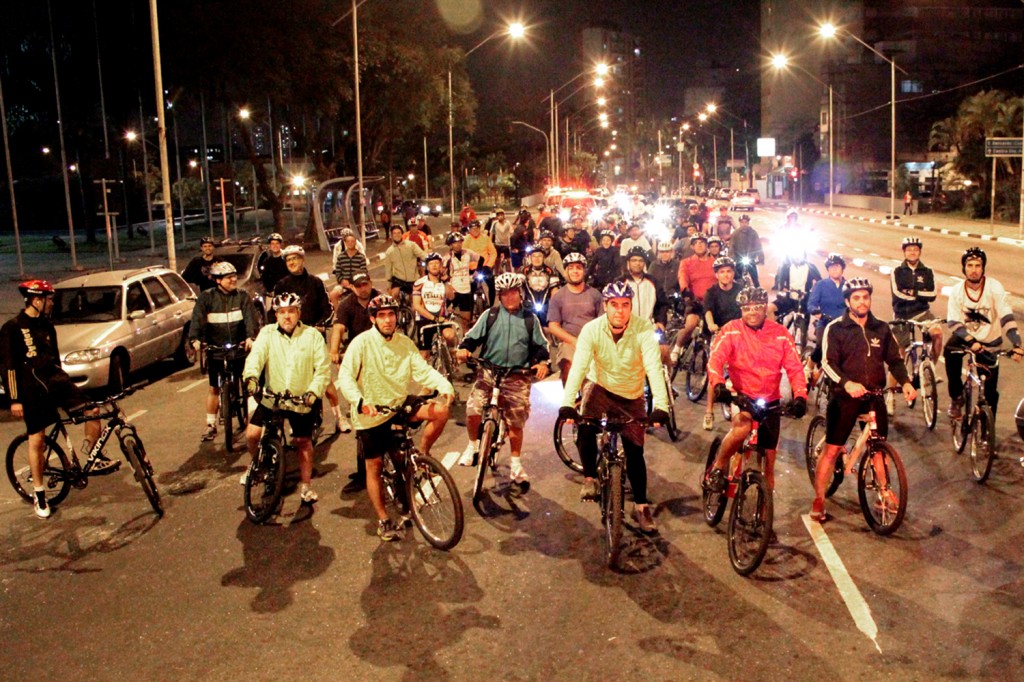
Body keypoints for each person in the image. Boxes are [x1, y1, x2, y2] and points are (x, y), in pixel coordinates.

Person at [337, 294, 455, 541]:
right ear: (373, 319)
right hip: (371, 414)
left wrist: (444, 386)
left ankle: (424, 455)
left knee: (440, 411)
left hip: (398, 404)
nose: (388, 320)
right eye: (382, 315)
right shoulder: (360, 344)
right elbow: (346, 378)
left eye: (391, 314)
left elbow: (422, 371)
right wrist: (360, 402)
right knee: (375, 466)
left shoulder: (404, 343)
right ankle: (383, 519)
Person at [558, 282, 670, 533]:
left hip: (631, 394)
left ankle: (641, 506)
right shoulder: (591, 330)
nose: (620, 311)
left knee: (635, 452)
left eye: (625, 305)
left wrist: (661, 406)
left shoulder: (643, 329)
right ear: (605, 307)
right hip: (600, 387)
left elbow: (653, 368)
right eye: (614, 305)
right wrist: (567, 404)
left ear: (631, 307)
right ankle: (589, 478)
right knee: (585, 427)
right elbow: (579, 367)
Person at [0, 281, 108, 518]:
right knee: (37, 439)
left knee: (93, 411)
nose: (52, 304)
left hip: (57, 382)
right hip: (32, 391)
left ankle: (93, 455)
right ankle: (39, 495)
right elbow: (8, 366)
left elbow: (56, 359)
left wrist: (65, 383)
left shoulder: (48, 326)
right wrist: (14, 399)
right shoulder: (13, 328)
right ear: (36, 300)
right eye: (49, 300)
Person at [812, 278, 916, 522]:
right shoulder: (836, 328)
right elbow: (827, 363)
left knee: (878, 448)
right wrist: (847, 383)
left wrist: (907, 382)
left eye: (865, 297)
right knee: (832, 450)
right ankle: (818, 499)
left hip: (874, 396)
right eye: (856, 298)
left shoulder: (881, 328)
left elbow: (895, 360)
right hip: (844, 397)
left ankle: (883, 492)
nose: (862, 302)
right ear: (848, 302)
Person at [704, 285, 808, 493]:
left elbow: (795, 368)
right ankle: (718, 467)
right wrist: (718, 385)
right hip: (741, 395)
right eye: (747, 308)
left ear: (765, 309)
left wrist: (800, 397)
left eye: (757, 308)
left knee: (769, 461)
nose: (752, 312)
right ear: (741, 310)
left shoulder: (780, 334)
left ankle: (763, 512)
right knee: (741, 428)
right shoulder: (731, 330)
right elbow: (714, 360)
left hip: (770, 400)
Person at [455, 273, 550, 492]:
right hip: (489, 371)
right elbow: (472, 337)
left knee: (516, 422)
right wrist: (464, 348)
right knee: (473, 408)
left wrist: (542, 362)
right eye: (504, 294)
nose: (509, 298)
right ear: (499, 296)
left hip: (517, 375)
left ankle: (516, 464)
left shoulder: (529, 319)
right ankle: (472, 445)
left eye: (513, 293)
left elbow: (540, 346)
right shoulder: (490, 315)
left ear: (520, 293)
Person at [243, 293, 331, 504]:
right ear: (276, 315)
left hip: (301, 400)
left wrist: (313, 392)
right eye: (282, 312)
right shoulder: (267, 333)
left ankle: (306, 486)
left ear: (298, 313)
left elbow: (322, 369)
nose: (287, 317)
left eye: (291, 311)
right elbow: (256, 357)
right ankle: (259, 465)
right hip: (272, 397)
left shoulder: (312, 336)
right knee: (252, 434)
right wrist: (252, 377)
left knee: (303, 442)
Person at [944, 247, 1024, 420]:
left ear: (983, 268)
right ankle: (957, 397)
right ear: (964, 268)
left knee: (990, 393)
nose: (973, 270)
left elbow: (1005, 316)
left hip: (990, 342)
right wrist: (971, 341)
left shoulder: (994, 287)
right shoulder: (957, 291)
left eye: (978, 265)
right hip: (965, 339)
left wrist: (1017, 344)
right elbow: (953, 322)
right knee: (949, 350)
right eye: (970, 265)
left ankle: (988, 431)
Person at [188, 261, 261, 442]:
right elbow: (197, 318)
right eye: (229, 277)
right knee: (214, 387)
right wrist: (195, 339)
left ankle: (255, 417)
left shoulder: (242, 296)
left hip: (239, 348)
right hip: (216, 349)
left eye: (234, 276)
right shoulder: (206, 298)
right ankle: (210, 425)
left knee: (248, 383)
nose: (233, 280)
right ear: (218, 280)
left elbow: (250, 319)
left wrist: (251, 337)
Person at [273, 245, 344, 429]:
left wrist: (321, 323)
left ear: (302, 260)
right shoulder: (281, 285)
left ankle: (338, 417)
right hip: (291, 340)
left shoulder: (315, 282)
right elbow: (275, 313)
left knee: (325, 381)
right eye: (288, 260)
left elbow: (328, 308)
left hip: (314, 336)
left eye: (295, 259)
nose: (292, 263)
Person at [329, 272, 381, 439]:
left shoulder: (380, 299)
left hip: (380, 345)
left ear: (371, 283)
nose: (362, 289)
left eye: (365, 284)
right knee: (354, 379)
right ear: (352, 287)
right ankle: (359, 406)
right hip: (356, 347)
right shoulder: (346, 304)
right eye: (358, 286)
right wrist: (334, 351)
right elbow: (338, 328)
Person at [548, 253, 602, 385]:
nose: (575, 271)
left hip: (593, 342)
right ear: (565, 271)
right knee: (569, 365)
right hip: (569, 343)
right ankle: (569, 401)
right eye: (571, 268)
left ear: (584, 271)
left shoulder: (595, 294)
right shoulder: (558, 296)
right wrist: (574, 341)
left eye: (578, 267)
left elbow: (602, 322)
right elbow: (553, 326)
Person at [890, 236, 942, 361]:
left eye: (915, 249)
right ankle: (898, 379)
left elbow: (933, 295)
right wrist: (921, 294)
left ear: (920, 252)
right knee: (899, 354)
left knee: (937, 334)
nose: (912, 252)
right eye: (909, 249)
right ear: (904, 252)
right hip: (902, 315)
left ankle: (931, 369)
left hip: (922, 313)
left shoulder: (928, 271)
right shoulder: (897, 271)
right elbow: (898, 294)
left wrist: (912, 292)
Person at [670, 233, 717, 363]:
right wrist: (685, 291)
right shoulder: (686, 262)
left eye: (702, 242)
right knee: (690, 324)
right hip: (695, 300)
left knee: (714, 329)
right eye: (696, 243)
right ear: (692, 246)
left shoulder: (714, 263)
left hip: (712, 302)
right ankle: (676, 348)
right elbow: (682, 277)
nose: (700, 245)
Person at [806, 253, 848, 382]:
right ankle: (809, 366)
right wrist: (816, 311)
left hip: (843, 324)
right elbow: (811, 303)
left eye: (837, 266)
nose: (834, 269)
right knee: (820, 346)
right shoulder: (820, 285)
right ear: (828, 270)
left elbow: (854, 303)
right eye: (831, 267)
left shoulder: (848, 285)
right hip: (825, 323)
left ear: (842, 268)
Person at [412, 253, 455, 360]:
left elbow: (451, 297)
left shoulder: (445, 282)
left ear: (441, 266)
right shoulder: (419, 283)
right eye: (431, 263)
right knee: (424, 355)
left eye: (437, 263)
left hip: (442, 318)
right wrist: (434, 318)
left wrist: (446, 282)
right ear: (427, 267)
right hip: (424, 320)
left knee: (450, 335)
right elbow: (417, 306)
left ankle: (452, 359)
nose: (435, 265)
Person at [772, 248, 821, 331]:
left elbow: (819, 281)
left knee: (806, 318)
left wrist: (814, 291)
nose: (797, 257)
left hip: (804, 299)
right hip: (788, 298)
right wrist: (782, 288)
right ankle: (774, 331)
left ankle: (804, 335)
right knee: (771, 309)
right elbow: (781, 279)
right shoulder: (787, 267)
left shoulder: (811, 267)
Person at [441, 231, 479, 332]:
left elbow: (481, 258)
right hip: (453, 291)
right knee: (445, 321)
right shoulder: (447, 258)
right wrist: (446, 285)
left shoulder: (468, 253)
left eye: (459, 242)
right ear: (450, 245)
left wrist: (477, 271)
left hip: (466, 290)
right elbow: (442, 274)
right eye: (455, 243)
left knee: (466, 322)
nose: (458, 245)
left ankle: (464, 343)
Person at [383, 224, 427, 301]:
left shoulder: (411, 245)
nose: (397, 235)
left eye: (399, 233)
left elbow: (422, 255)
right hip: (398, 280)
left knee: (414, 303)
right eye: (394, 233)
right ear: (392, 235)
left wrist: (432, 260)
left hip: (413, 279)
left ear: (402, 234)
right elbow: (388, 270)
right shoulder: (389, 252)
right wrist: (388, 285)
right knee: (394, 295)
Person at [520, 247, 559, 327]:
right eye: (534, 256)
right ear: (530, 258)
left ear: (543, 258)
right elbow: (519, 286)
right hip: (528, 304)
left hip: (545, 305)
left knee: (547, 327)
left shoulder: (550, 271)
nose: (536, 259)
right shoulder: (524, 270)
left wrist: (553, 305)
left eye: (539, 256)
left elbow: (554, 289)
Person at [331, 228, 370, 305]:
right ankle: (339, 315)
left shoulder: (361, 257)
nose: (350, 243)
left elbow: (364, 272)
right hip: (344, 285)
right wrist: (342, 281)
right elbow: (337, 271)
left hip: (357, 285)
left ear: (355, 242)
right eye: (348, 241)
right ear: (345, 242)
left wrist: (355, 283)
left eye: (352, 241)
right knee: (333, 295)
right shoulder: (340, 256)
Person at [463, 219, 498, 302]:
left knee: (492, 285)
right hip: (471, 268)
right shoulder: (466, 239)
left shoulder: (485, 238)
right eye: (472, 229)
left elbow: (493, 253)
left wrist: (489, 265)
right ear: (469, 230)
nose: (475, 230)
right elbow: (463, 253)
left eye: (476, 228)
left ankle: (491, 306)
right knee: (468, 289)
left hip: (484, 267)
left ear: (480, 228)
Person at [730, 214, 764, 286]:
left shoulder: (753, 233)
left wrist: (761, 258)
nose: (744, 224)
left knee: (754, 276)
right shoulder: (735, 233)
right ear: (740, 223)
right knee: (737, 277)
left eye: (746, 222)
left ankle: (758, 290)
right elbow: (732, 246)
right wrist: (732, 258)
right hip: (739, 258)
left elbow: (758, 245)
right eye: (742, 222)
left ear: (748, 223)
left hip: (750, 258)